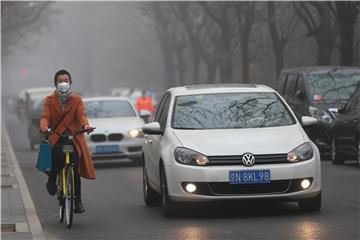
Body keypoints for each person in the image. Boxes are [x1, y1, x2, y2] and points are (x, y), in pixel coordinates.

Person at [40, 69, 95, 214]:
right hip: (57, 137)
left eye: (66, 81)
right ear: (55, 83)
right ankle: (52, 179)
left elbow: (81, 115)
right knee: (57, 157)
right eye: (60, 81)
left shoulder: (77, 100)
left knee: (75, 168)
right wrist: (45, 127)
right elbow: (45, 116)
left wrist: (85, 126)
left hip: (73, 138)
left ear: (70, 82)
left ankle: (78, 200)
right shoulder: (49, 100)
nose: (63, 83)